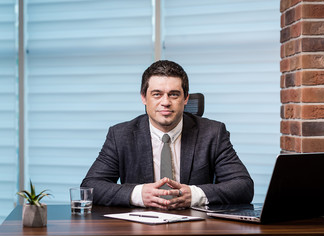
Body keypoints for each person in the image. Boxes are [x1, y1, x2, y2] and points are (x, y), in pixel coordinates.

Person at [81, 60, 254, 210]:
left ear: (185, 98)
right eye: (157, 94)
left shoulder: (213, 133)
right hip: (140, 230)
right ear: (143, 97)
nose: (165, 102)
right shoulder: (121, 135)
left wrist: (193, 195)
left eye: (174, 94)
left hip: (196, 230)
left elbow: (243, 186)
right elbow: (90, 186)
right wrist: (139, 194)